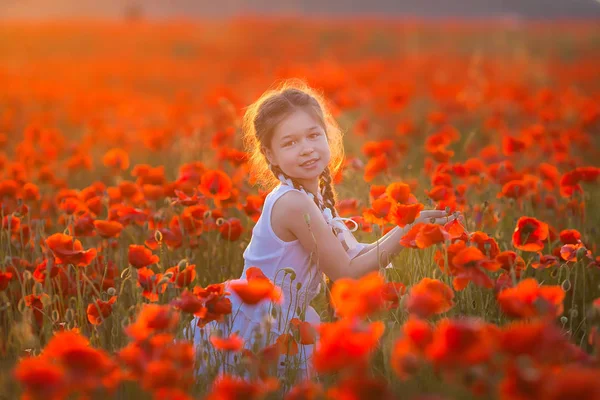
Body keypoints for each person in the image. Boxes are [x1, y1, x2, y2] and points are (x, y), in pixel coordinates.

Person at [188, 79, 459, 384]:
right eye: (290, 143)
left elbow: (355, 254)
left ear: (328, 136)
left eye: (313, 135)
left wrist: (413, 224)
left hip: (284, 318)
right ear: (270, 154)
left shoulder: (309, 198)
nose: (306, 149)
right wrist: (407, 231)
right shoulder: (292, 203)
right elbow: (347, 271)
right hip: (263, 323)